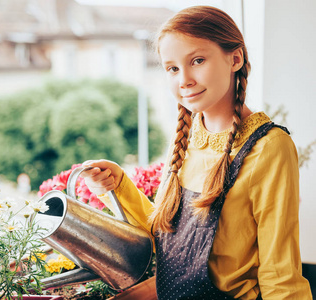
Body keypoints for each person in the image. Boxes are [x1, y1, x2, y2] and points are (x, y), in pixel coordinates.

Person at [80, 5, 312, 300]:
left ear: (235, 58)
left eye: (198, 60)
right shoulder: (187, 137)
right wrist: (118, 184)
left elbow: (280, 272)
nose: (184, 79)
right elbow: (165, 237)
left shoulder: (269, 147)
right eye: (172, 68)